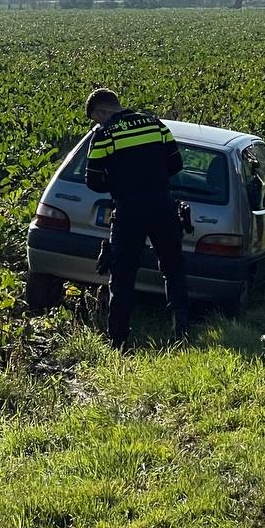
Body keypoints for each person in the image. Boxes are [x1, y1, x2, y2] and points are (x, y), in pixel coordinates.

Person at [84, 88, 189, 348]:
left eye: (97, 118)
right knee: (173, 269)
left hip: (129, 210)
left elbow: (93, 180)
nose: (98, 123)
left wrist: (120, 182)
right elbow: (176, 164)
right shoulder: (154, 124)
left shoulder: (105, 134)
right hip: (162, 205)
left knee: (122, 276)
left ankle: (118, 341)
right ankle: (181, 333)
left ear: (102, 111)